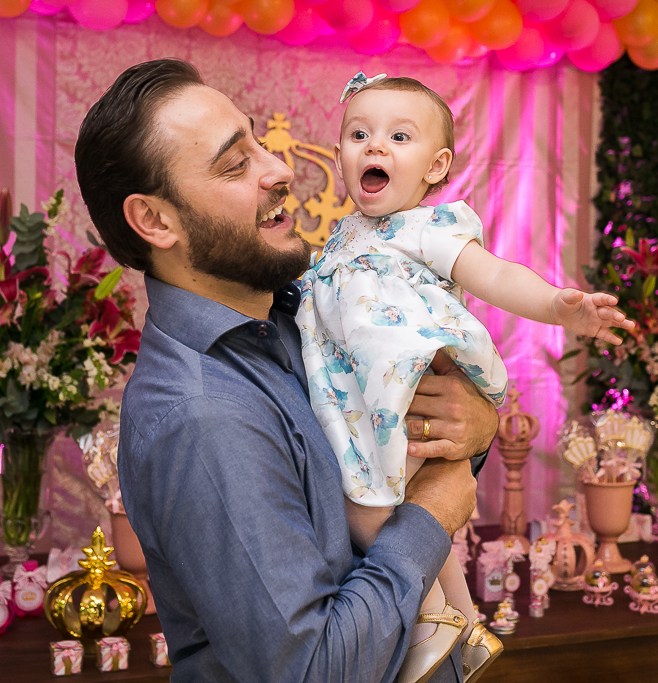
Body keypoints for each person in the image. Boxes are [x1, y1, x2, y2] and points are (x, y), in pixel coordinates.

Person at [74, 59, 501, 683]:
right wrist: (432, 513)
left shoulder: (310, 312)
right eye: (235, 164)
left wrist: (474, 426)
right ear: (156, 221)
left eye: (257, 144)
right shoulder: (202, 415)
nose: (279, 169)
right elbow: (312, 669)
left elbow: (408, 438)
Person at [298, 73, 634, 683]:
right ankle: (468, 625)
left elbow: (497, 275)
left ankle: (433, 622)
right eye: (359, 134)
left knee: (372, 510)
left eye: (399, 136)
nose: (375, 146)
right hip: (358, 403)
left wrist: (558, 306)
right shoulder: (339, 239)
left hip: (411, 391)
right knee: (406, 516)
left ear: (436, 166)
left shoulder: (428, 227)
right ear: (339, 153)